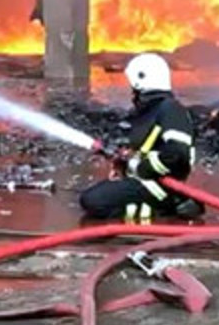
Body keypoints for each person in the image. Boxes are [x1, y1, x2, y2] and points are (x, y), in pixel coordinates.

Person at [79, 53, 204, 223]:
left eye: (134, 88)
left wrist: (139, 166)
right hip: (146, 181)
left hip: (159, 185)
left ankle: (171, 206)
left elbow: (177, 154)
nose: (132, 92)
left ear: (142, 81)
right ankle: (165, 205)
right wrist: (125, 158)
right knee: (91, 198)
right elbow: (148, 147)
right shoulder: (152, 111)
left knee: (93, 201)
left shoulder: (171, 110)